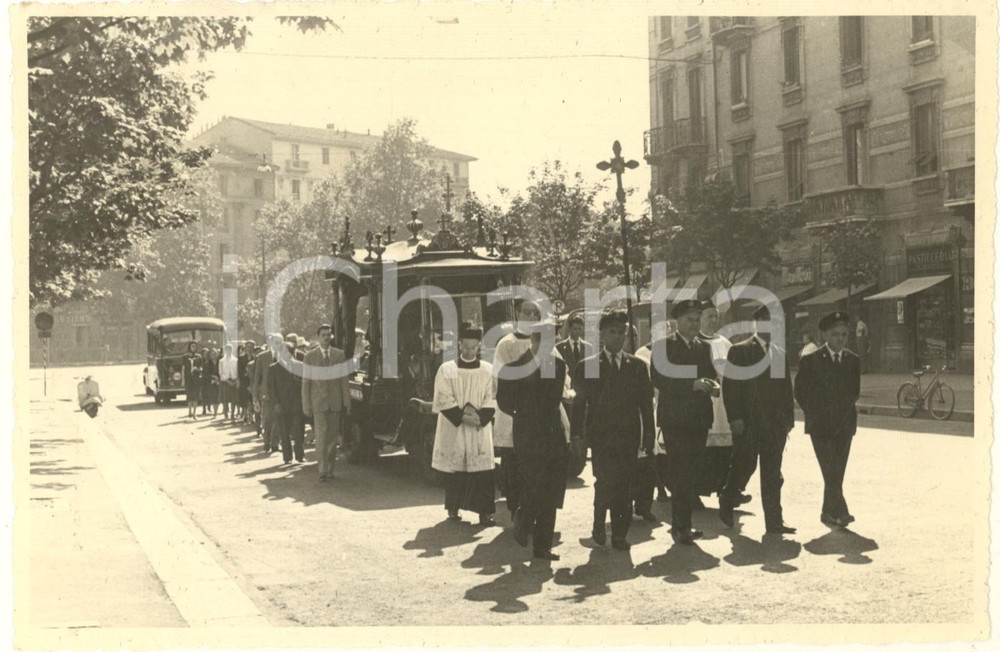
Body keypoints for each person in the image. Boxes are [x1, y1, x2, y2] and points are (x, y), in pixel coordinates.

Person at [571, 309, 655, 550]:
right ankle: (599, 522)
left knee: (625, 485)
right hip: (601, 437)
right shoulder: (587, 367)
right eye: (612, 332)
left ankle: (619, 534)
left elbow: (646, 406)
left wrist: (649, 434)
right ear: (602, 335)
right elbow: (579, 406)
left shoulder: (637, 367)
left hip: (628, 436)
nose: (617, 338)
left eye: (621, 333)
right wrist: (576, 436)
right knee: (604, 482)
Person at [718, 305, 797, 535]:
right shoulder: (740, 351)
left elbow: (786, 391)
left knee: (773, 474)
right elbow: (730, 388)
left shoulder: (779, 354)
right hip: (748, 424)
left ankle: (774, 522)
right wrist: (735, 418)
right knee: (744, 466)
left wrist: (788, 421)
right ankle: (727, 497)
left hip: (774, 427)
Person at [496, 319, 569, 561]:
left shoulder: (558, 365)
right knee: (534, 482)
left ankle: (542, 546)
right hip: (528, 435)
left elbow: (553, 399)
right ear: (534, 340)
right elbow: (504, 400)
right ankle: (524, 516)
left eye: (554, 341)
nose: (551, 346)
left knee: (551, 490)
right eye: (546, 341)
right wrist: (522, 414)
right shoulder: (514, 367)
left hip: (551, 434)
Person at [649, 299, 719, 545]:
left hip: (699, 418)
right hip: (676, 420)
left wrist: (713, 385)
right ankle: (680, 527)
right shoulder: (663, 347)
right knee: (680, 473)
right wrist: (691, 384)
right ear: (676, 322)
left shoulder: (702, 347)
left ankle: (685, 525)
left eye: (697, 320)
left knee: (691, 473)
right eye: (689, 319)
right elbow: (659, 379)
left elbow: (709, 373)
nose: (694, 324)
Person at [794, 311, 860, 528]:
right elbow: (800, 392)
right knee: (831, 470)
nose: (840, 339)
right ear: (824, 336)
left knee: (836, 471)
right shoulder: (811, 360)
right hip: (820, 427)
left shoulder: (852, 360)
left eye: (844, 334)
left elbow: (854, 393)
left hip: (844, 426)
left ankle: (827, 511)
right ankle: (841, 512)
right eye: (835, 335)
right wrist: (816, 413)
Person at [431, 324, 497, 526]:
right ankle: (453, 507)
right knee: (456, 468)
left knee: (482, 471)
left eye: (473, 347)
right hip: (456, 426)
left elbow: (492, 396)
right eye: (465, 347)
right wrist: (462, 417)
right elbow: (444, 396)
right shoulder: (447, 369)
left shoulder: (487, 370)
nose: (469, 351)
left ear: (478, 347)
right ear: (459, 345)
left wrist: (481, 417)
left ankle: (484, 513)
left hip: (479, 427)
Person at [492, 299, 541, 517]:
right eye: (527, 312)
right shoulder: (507, 344)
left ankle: (535, 508)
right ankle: (516, 508)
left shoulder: (544, 342)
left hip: (540, 413)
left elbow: (561, 373)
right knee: (513, 462)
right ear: (517, 313)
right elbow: (500, 378)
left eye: (535, 314)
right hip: (514, 412)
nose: (532, 317)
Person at [697, 304, 748, 509]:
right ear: (699, 317)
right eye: (709, 316)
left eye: (716, 317)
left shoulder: (725, 343)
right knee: (704, 450)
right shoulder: (696, 343)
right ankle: (698, 490)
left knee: (726, 450)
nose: (713, 320)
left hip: (725, 401)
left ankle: (726, 490)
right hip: (707, 401)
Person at [302, 324, 351, 481]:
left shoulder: (339, 355)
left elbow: (344, 380)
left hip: (335, 402)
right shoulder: (310, 357)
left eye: (329, 335)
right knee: (321, 436)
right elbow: (306, 383)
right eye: (323, 335)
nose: (326, 338)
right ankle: (322, 469)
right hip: (318, 404)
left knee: (332, 437)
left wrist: (347, 400)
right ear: (318, 337)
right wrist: (306, 405)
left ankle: (330, 468)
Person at [268, 342, 305, 464]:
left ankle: (299, 456)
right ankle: (287, 457)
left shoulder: (300, 366)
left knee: (298, 431)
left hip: (296, 404)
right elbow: (271, 389)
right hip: (281, 405)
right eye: (284, 352)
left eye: (289, 352)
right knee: (284, 432)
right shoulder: (273, 368)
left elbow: (304, 385)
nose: (287, 354)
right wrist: (275, 404)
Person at [253, 334, 283, 451]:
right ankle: (266, 441)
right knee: (267, 418)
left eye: (281, 342)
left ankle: (275, 444)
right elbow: (257, 378)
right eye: (276, 342)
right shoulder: (262, 357)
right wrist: (255, 396)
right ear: (270, 343)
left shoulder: (285, 356)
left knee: (278, 419)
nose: (278, 345)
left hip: (280, 393)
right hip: (267, 393)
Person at [556, 313, 594, 384]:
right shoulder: (559, 347)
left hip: (583, 385)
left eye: (580, 329)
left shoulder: (588, 347)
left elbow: (590, 370)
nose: (577, 331)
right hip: (565, 384)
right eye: (575, 329)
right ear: (569, 329)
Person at [218, 344, 239, 423]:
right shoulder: (221, 361)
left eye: (230, 349)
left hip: (234, 380)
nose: (228, 350)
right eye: (226, 349)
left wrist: (236, 380)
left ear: (232, 350)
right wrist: (227, 381)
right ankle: (226, 414)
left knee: (234, 399)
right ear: (225, 350)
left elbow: (237, 371)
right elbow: (220, 373)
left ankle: (232, 415)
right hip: (225, 381)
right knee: (225, 399)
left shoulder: (236, 360)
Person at [183, 344, 203, 420]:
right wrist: (183, 379)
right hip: (188, 378)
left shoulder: (199, 357)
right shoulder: (185, 357)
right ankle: (189, 411)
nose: (193, 348)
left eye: (195, 346)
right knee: (189, 395)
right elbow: (183, 368)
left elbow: (201, 368)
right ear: (189, 347)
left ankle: (195, 413)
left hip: (196, 378)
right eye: (192, 346)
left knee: (195, 396)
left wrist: (197, 369)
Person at [238, 340, 255, 424]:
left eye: (251, 347)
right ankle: (245, 415)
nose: (249, 349)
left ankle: (251, 416)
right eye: (248, 347)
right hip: (244, 381)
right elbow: (239, 370)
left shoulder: (256, 358)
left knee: (252, 398)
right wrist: (245, 372)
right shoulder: (241, 358)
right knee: (244, 398)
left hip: (252, 380)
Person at [202, 348, 220, 417]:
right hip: (211, 381)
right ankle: (215, 412)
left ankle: (216, 411)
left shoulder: (220, 362)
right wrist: (213, 378)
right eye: (212, 354)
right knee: (213, 397)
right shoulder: (207, 363)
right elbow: (206, 374)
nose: (214, 355)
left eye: (215, 353)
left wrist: (218, 378)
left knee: (218, 396)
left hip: (219, 380)